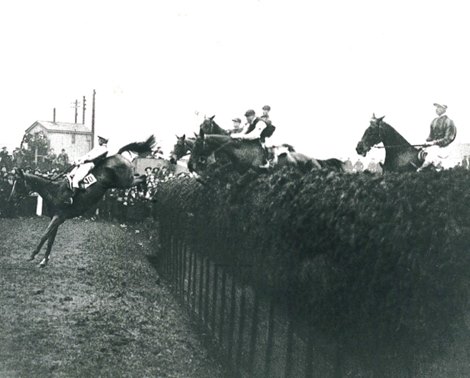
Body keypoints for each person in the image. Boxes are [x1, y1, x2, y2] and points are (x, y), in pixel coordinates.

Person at [65, 136, 109, 204]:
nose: (98, 140)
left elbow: (92, 158)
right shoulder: (98, 147)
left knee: (76, 180)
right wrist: (78, 159)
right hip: (85, 163)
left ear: (103, 140)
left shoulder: (104, 149)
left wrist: (81, 161)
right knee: (70, 175)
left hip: (90, 165)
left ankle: (73, 199)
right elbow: (87, 155)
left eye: (100, 139)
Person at [420, 103, 457, 170]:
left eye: (439, 107)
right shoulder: (433, 121)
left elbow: (448, 139)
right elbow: (430, 136)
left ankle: (423, 168)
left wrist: (434, 143)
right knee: (422, 152)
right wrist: (426, 142)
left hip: (445, 148)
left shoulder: (449, 122)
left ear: (444, 109)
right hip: (434, 147)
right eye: (436, 107)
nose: (436, 109)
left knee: (432, 153)